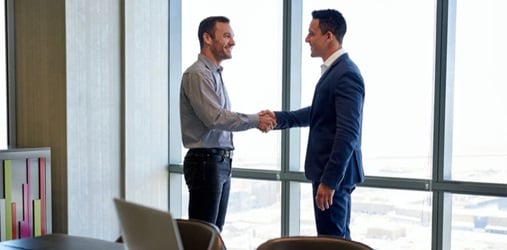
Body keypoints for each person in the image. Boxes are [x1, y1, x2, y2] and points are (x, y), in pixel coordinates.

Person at [265, 9, 365, 239]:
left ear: (329, 36)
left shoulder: (346, 74)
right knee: (334, 239)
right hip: (330, 174)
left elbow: (348, 132)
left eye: (312, 33)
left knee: (333, 242)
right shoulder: (336, 72)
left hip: (333, 176)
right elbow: (320, 113)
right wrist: (279, 118)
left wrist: (329, 181)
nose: (307, 39)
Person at [179, 16, 275, 231]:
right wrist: (256, 119)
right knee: (203, 237)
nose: (233, 42)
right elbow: (215, 118)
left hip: (218, 162)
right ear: (207, 38)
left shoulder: (214, 74)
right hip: (206, 162)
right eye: (227, 36)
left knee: (213, 234)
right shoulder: (197, 74)